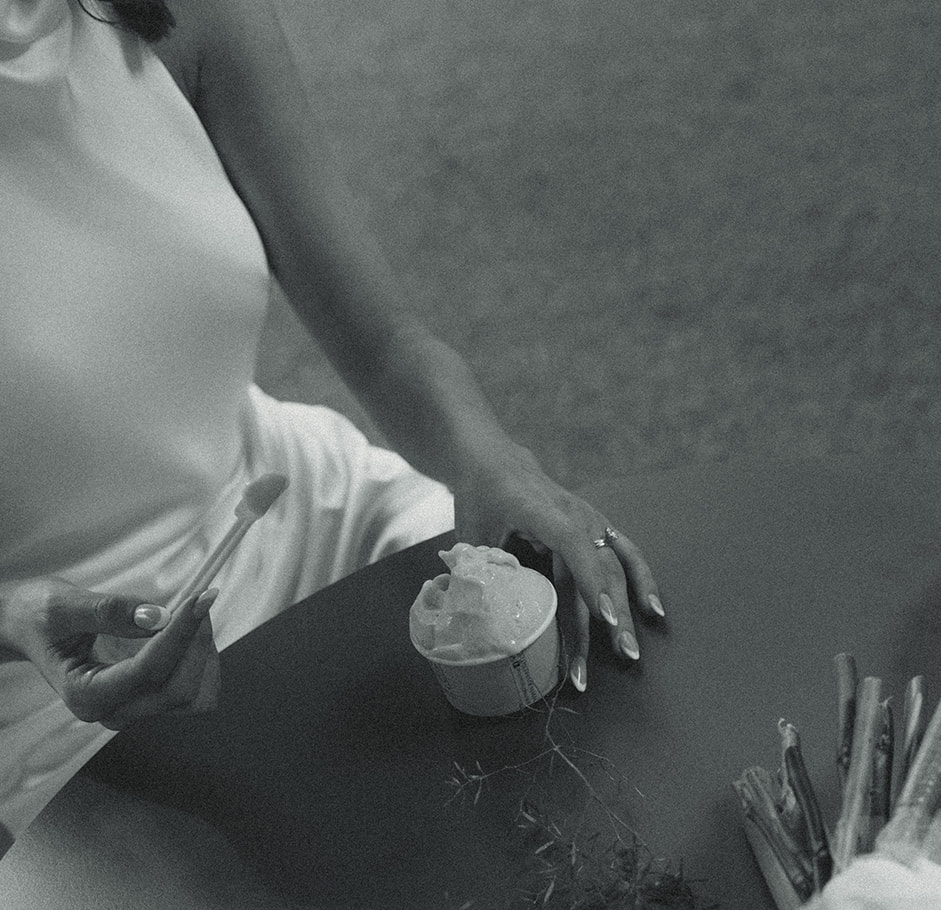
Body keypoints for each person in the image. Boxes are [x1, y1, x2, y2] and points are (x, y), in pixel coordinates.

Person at [0, 0, 663, 847]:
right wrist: (13, 615)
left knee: (607, 722)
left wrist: (492, 462)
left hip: (307, 516)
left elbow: (387, 344)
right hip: (64, 690)